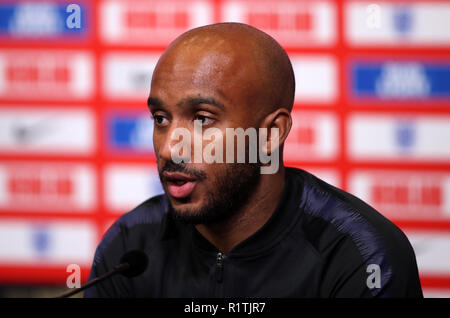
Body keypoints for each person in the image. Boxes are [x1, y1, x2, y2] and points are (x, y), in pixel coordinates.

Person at [85, 23, 423, 297]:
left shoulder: (359, 256)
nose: (170, 149)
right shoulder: (130, 245)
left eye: (202, 119)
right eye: (160, 118)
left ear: (271, 133)